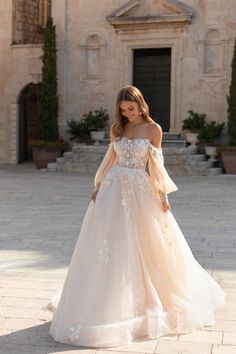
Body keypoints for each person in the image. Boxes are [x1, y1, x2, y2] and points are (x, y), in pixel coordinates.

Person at [49, 85, 225, 348]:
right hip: (113, 189)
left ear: (141, 105)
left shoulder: (153, 130)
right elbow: (110, 159)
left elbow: (156, 164)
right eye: (123, 110)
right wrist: (97, 186)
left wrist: (163, 195)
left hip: (141, 191)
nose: (127, 114)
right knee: (111, 244)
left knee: (149, 243)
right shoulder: (118, 129)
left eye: (131, 109)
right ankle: (103, 300)